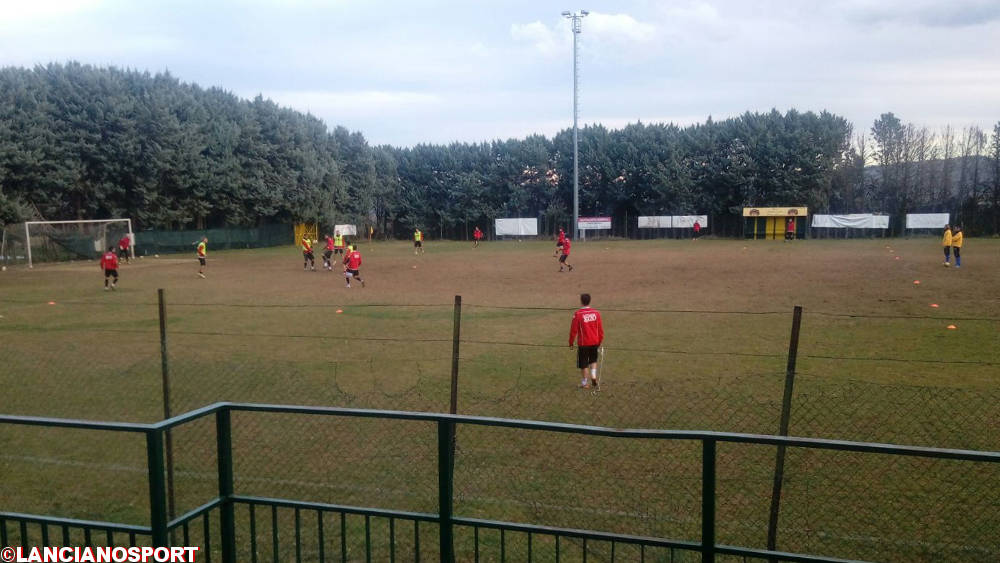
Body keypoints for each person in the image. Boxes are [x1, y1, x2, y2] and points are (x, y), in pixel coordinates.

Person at [569, 293, 604, 389]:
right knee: (593, 360)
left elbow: (573, 330)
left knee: (583, 363)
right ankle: (593, 376)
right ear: (590, 301)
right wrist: (599, 342)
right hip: (595, 342)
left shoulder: (578, 314)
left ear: (581, 301)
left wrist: (571, 342)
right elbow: (600, 330)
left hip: (584, 344)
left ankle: (585, 383)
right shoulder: (596, 313)